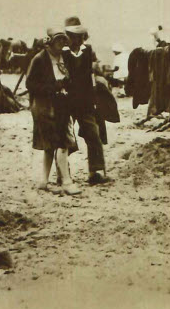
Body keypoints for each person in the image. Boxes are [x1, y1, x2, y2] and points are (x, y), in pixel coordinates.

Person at [25, 28, 81, 195]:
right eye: (57, 41)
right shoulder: (39, 60)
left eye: (63, 41)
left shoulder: (65, 58)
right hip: (45, 106)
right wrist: (53, 87)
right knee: (55, 144)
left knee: (61, 142)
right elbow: (30, 85)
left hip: (62, 103)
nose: (61, 44)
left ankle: (44, 181)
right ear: (49, 42)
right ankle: (66, 181)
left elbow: (71, 78)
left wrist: (67, 85)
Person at [62, 16, 108, 185]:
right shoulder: (61, 52)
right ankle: (63, 174)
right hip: (66, 101)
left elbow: (91, 76)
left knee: (93, 135)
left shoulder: (87, 51)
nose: (78, 39)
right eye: (74, 35)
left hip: (85, 101)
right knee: (65, 138)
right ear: (68, 36)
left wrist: (94, 97)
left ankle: (94, 172)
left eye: (80, 35)